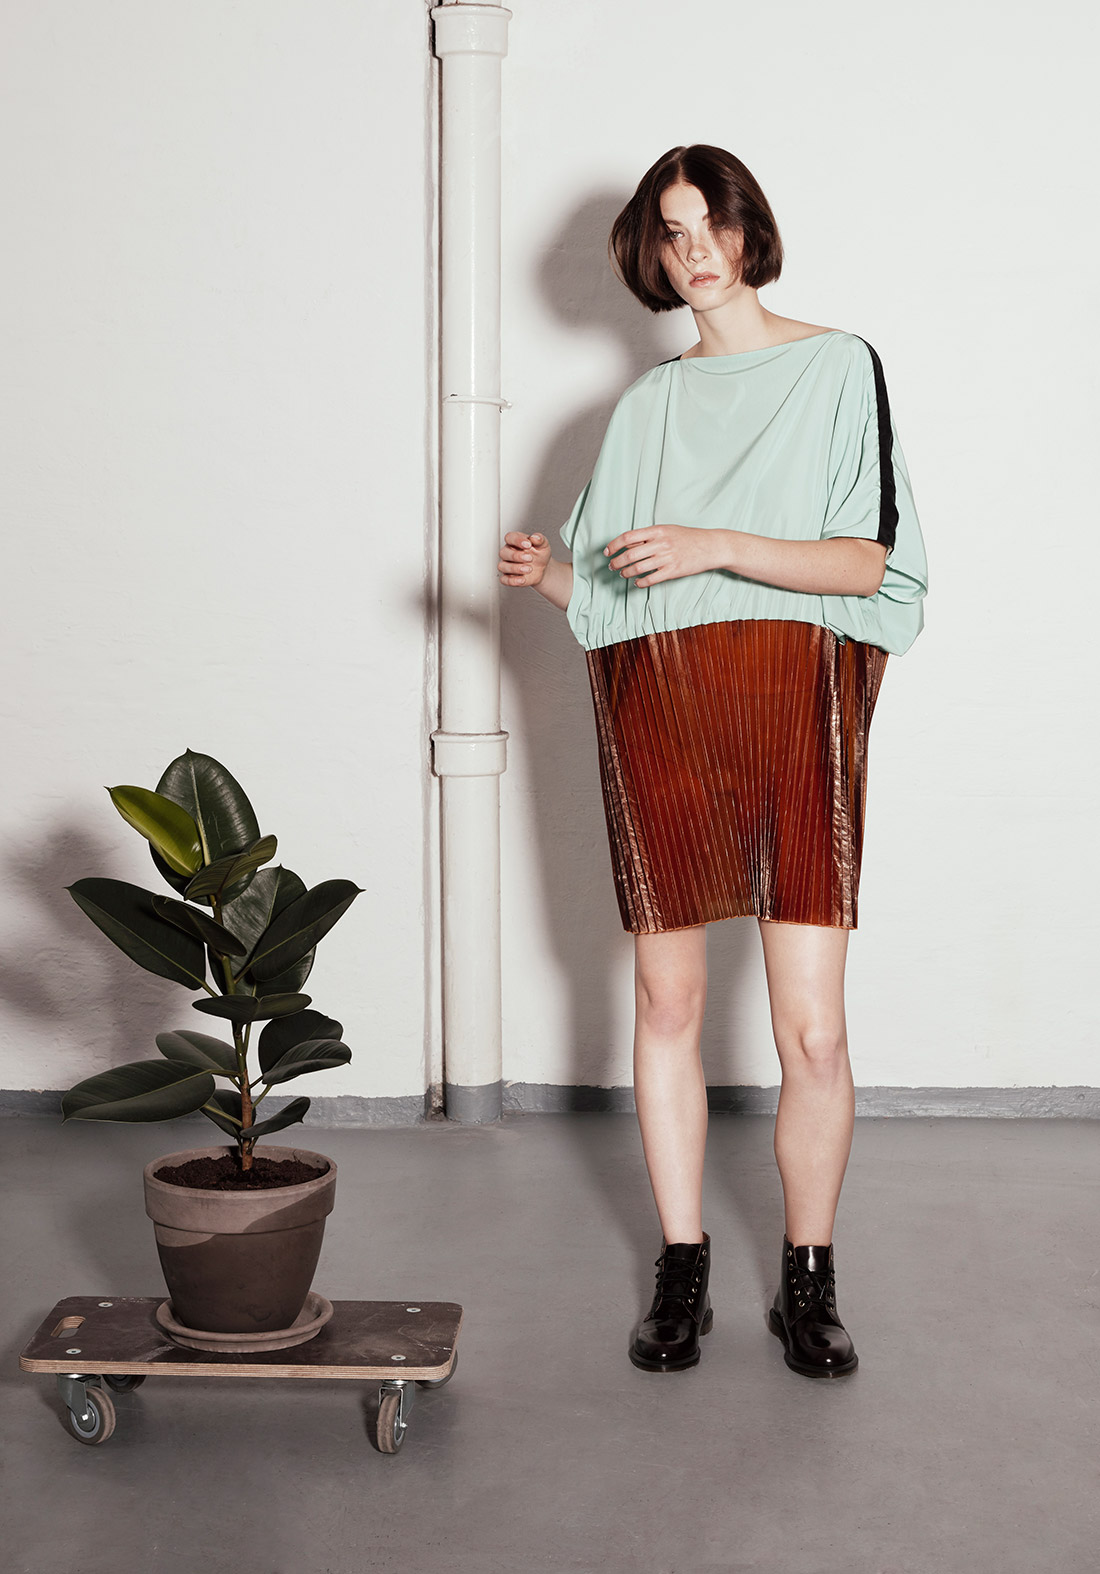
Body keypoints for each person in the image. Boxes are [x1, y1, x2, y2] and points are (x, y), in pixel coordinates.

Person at [498, 145, 928, 1379]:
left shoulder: (837, 366)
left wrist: (712, 543)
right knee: (666, 1001)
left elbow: (864, 563)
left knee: (812, 1029)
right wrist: (550, 574)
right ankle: (680, 1264)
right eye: (669, 232)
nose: (692, 251)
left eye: (709, 225)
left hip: (793, 700)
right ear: (651, 252)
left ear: (749, 231)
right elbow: (610, 601)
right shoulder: (646, 407)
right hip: (668, 709)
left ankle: (807, 1276)